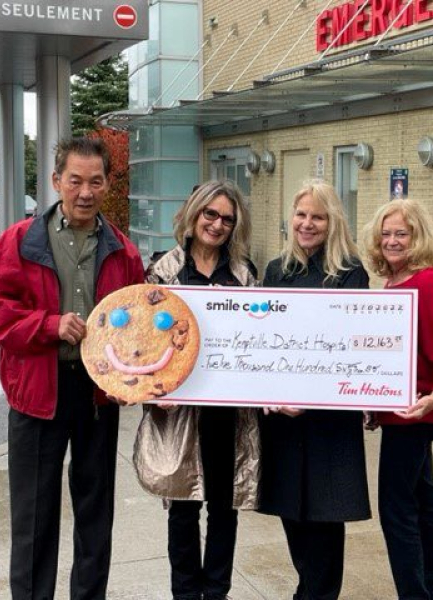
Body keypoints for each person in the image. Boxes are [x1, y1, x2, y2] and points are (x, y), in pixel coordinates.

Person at [0, 137, 145, 600]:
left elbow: (139, 329)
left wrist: (133, 377)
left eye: (95, 181)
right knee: (33, 517)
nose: (85, 191)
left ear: (108, 185)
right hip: (36, 394)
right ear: (56, 182)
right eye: (75, 181)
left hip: (96, 395)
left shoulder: (124, 253)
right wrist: (47, 325)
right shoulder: (19, 242)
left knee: (95, 516)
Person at [137, 180, 260, 600]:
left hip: (228, 412)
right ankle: (186, 594)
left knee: (224, 510)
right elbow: (145, 340)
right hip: (180, 411)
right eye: (210, 214)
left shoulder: (245, 275)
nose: (217, 224)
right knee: (183, 507)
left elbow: (259, 341)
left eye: (227, 218)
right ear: (193, 214)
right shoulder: (163, 272)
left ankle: (217, 592)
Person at [260, 180, 371, 600]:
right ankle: (308, 589)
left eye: (317, 217)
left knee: (325, 519)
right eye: (301, 214)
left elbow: (348, 347)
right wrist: (269, 393)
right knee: (293, 513)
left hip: (328, 420)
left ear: (332, 222)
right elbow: (264, 343)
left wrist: (312, 398)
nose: (307, 224)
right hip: (284, 421)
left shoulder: (349, 274)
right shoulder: (276, 270)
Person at [363, 199, 433, 600]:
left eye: (401, 234)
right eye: (386, 234)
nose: (392, 241)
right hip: (400, 412)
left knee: (397, 511)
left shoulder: (428, 284)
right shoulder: (395, 283)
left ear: (417, 237)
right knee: (423, 504)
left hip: (417, 415)